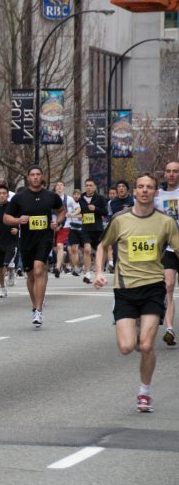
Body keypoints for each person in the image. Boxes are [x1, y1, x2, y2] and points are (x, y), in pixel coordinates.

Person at [93, 172, 179, 413]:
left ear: (155, 192)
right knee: (126, 347)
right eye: (140, 187)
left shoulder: (165, 222)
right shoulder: (121, 220)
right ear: (134, 192)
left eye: (149, 187)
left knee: (146, 345)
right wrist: (99, 271)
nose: (144, 191)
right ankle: (135, 327)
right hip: (125, 290)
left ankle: (144, 392)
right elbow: (102, 245)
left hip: (153, 288)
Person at [3, 166, 66, 327]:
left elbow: (61, 210)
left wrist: (57, 222)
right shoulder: (19, 197)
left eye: (38, 174)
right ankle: (35, 304)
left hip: (44, 238)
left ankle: (38, 310)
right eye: (32, 175)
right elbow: (6, 217)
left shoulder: (51, 196)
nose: (35, 177)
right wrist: (18, 221)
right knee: (30, 275)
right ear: (28, 177)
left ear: (42, 177)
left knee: (39, 269)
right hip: (26, 240)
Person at [155, 161, 179, 346]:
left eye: (175, 172)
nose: (171, 174)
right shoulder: (158, 196)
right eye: (168, 171)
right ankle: (169, 329)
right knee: (168, 286)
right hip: (168, 248)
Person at [0, 185, 19, 297]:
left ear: (7, 195)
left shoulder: (13, 208)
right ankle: (2, 288)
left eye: (4, 193)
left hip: (11, 241)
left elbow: (19, 221)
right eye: (0, 193)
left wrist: (17, 228)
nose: (2, 195)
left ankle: (11, 270)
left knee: (6, 264)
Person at [78, 178, 108, 284]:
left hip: (98, 229)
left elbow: (105, 212)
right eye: (87, 185)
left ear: (95, 187)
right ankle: (87, 273)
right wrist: (77, 214)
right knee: (87, 249)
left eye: (91, 185)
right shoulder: (81, 198)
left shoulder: (100, 198)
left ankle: (99, 271)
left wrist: (95, 209)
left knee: (100, 252)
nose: (88, 187)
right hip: (86, 228)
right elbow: (78, 210)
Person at [52, 181, 79, 277]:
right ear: (55, 188)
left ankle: (57, 267)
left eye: (61, 185)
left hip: (64, 225)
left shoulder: (69, 199)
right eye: (57, 185)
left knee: (59, 246)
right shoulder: (51, 198)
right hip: (52, 226)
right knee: (55, 249)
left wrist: (72, 214)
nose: (59, 187)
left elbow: (78, 208)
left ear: (64, 187)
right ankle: (62, 262)